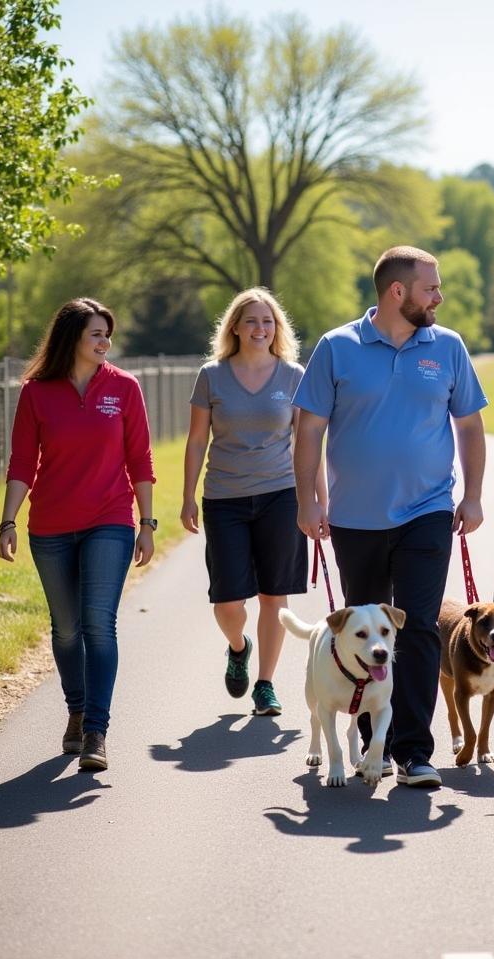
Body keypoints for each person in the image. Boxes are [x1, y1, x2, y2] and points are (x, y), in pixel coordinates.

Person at [292, 245, 488, 788]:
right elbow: (308, 429)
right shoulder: (337, 347)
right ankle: (363, 738)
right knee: (361, 633)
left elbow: (470, 427)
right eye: (432, 288)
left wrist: (471, 496)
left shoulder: (447, 347)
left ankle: (412, 752)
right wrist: (307, 501)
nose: (439, 297)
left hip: (427, 511)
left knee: (419, 626)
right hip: (354, 518)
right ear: (397, 292)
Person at [0, 297, 156, 771]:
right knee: (65, 629)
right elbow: (23, 462)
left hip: (110, 519)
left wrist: (146, 524)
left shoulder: (124, 388)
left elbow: (141, 461)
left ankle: (96, 732)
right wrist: (7, 520)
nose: (105, 342)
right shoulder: (36, 393)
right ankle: (76, 709)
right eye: (96, 334)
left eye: (108, 333)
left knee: (97, 624)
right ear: (72, 338)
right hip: (50, 526)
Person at [182, 287, 314, 717]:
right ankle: (238, 648)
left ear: (277, 328)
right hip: (225, 498)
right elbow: (197, 438)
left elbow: (308, 444)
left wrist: (316, 500)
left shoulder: (293, 375)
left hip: (281, 496)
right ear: (235, 327)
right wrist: (187, 497)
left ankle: (265, 684)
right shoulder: (212, 375)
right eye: (252, 321)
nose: (260, 328)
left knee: (274, 597)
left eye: (268, 321)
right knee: (228, 602)